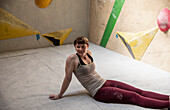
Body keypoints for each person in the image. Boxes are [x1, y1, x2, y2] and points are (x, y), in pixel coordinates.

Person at [49, 36, 170, 109]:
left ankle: (168, 98)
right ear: (75, 47)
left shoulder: (89, 53)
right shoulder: (72, 59)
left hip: (105, 82)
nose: (80, 49)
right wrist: (60, 95)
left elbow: (91, 71)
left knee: (138, 90)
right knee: (134, 97)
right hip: (99, 91)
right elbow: (67, 78)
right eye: (77, 47)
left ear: (87, 46)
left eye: (82, 46)